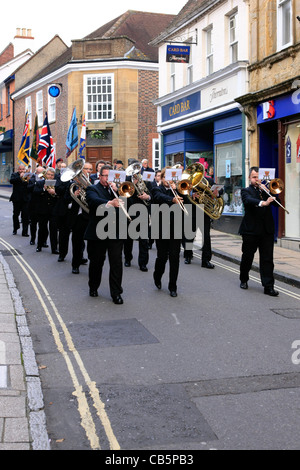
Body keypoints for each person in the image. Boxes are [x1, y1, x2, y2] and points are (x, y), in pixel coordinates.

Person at [84, 165, 124, 304]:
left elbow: (127, 205)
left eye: (110, 176)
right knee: (96, 262)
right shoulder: (92, 189)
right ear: (99, 176)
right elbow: (93, 201)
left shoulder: (117, 190)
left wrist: (117, 192)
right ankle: (93, 287)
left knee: (116, 264)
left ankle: (116, 293)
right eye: (105, 176)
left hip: (115, 232)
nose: (107, 179)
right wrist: (109, 202)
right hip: (98, 232)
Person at [239, 166, 279, 297]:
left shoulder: (267, 190)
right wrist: (263, 202)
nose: (257, 179)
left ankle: (268, 286)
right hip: (250, 230)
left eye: (258, 177)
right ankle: (244, 279)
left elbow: (278, 203)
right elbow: (249, 201)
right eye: (254, 177)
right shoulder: (246, 191)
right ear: (250, 178)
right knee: (247, 257)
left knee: (267, 259)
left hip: (266, 230)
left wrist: (271, 193)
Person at [151, 167, 187, 297]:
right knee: (162, 257)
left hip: (175, 228)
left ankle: (173, 286)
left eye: (172, 177)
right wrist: (172, 199)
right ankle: (157, 275)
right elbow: (158, 197)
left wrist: (184, 193)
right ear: (162, 177)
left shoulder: (177, 190)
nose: (169, 180)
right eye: (166, 177)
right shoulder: (157, 189)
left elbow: (186, 201)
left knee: (174, 258)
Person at [123, 170, 152, 271]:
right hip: (129, 213)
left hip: (143, 213)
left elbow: (152, 194)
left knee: (144, 241)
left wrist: (147, 197)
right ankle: (127, 258)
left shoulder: (146, 181)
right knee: (128, 240)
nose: (136, 173)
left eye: (137, 170)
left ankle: (143, 263)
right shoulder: (126, 181)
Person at [71, 161, 94, 274]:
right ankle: (75, 264)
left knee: (92, 243)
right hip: (79, 216)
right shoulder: (74, 183)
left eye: (90, 169)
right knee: (77, 242)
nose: (88, 171)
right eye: (86, 169)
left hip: (91, 216)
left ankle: (92, 262)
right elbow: (66, 198)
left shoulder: (94, 182)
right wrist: (74, 195)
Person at [33, 167, 59, 254]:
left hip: (53, 210)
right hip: (42, 210)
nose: (50, 176)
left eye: (52, 175)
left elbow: (60, 195)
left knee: (54, 230)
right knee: (42, 229)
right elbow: (35, 192)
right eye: (48, 174)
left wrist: (54, 192)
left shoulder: (57, 184)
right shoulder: (40, 183)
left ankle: (54, 248)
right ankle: (39, 246)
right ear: (45, 175)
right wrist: (44, 189)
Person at [9, 164, 31, 236]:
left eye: (23, 169)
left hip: (25, 199)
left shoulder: (27, 176)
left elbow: (29, 185)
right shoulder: (14, 175)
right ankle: (15, 228)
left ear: (25, 169)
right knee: (15, 215)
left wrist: (27, 179)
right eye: (20, 169)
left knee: (25, 216)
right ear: (18, 170)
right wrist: (20, 177)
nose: (21, 170)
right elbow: (11, 181)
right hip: (16, 199)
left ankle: (25, 232)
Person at [27, 166, 45, 245]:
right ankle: (32, 238)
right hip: (33, 205)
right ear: (36, 172)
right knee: (33, 224)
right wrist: (36, 183)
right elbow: (29, 188)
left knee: (43, 225)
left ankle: (43, 241)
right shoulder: (32, 180)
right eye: (39, 172)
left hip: (43, 205)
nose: (40, 174)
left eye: (42, 173)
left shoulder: (46, 180)